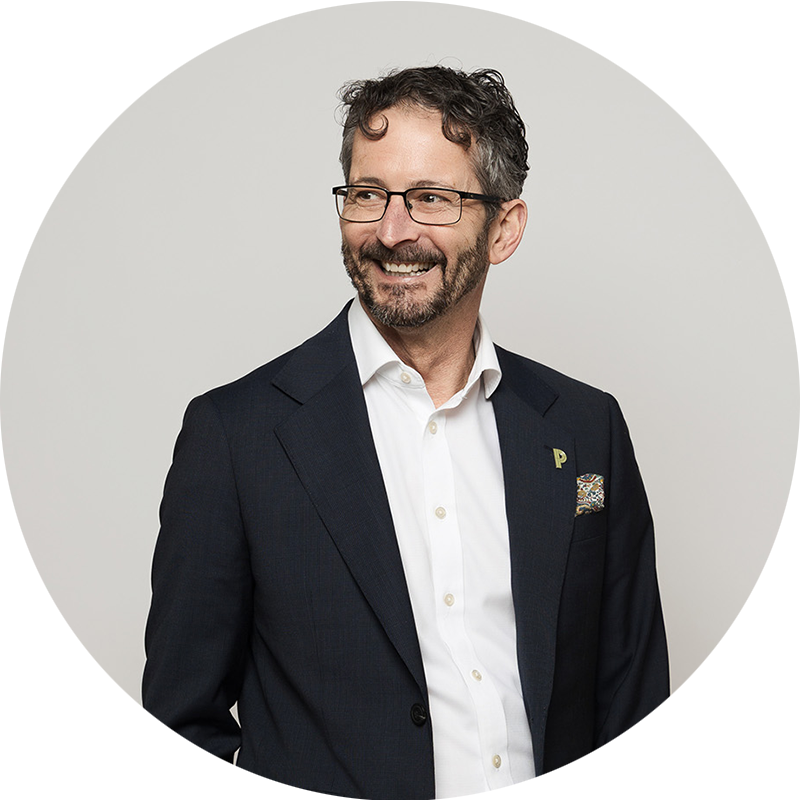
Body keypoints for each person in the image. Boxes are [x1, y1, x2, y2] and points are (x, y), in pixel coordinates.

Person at [136, 66, 679, 800]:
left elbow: (632, 717)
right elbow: (182, 738)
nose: (393, 231)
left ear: (504, 228)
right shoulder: (237, 438)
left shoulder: (586, 430)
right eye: (368, 195)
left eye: (431, 198)